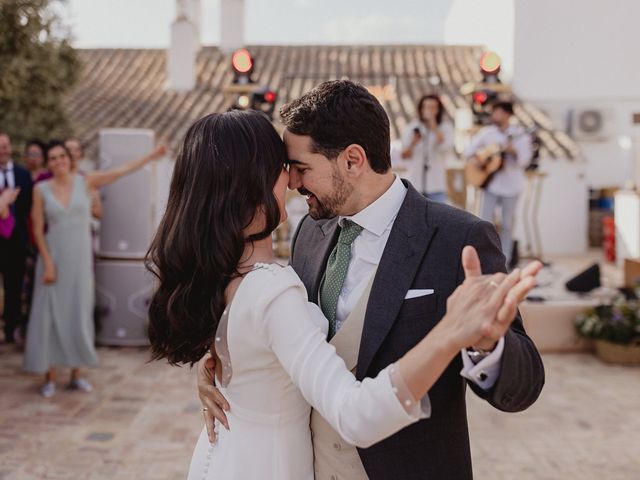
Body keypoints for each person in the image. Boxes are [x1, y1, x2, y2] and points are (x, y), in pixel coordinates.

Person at [146, 110, 540, 480]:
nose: (294, 183)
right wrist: (228, 367)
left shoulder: (459, 238)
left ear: (353, 160)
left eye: (300, 168)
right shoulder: (308, 235)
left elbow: (522, 385)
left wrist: (488, 346)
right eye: (284, 170)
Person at [23, 140, 167, 397]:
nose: (58, 162)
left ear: (69, 159)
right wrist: (47, 262)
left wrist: (152, 155)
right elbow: (36, 229)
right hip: (53, 260)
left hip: (79, 260)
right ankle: (49, 376)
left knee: (77, 313)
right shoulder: (40, 189)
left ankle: (76, 374)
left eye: (62, 157)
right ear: (48, 163)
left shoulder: (85, 181)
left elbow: (122, 170)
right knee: (50, 316)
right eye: (53, 158)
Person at [465, 101, 533, 266]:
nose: (494, 115)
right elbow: (468, 151)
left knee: (507, 224)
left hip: (512, 186)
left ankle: (505, 261)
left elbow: (525, 161)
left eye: (497, 112)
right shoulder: (487, 133)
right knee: (484, 222)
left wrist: (513, 151)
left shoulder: (520, 135)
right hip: (491, 185)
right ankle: (483, 259)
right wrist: (478, 159)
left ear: (507, 114)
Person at [0, 130, 33, 344]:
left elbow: (29, 208)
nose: (2, 150)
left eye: (4, 145)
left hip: (16, 243)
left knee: (14, 287)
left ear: (10, 147)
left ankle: (11, 330)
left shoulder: (23, 174)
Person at [400, 94, 454, 202]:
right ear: (421, 109)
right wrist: (413, 142)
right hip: (416, 183)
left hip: (437, 184)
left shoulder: (445, 127)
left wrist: (433, 126)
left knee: (439, 217)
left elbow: (446, 148)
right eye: (427, 107)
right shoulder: (413, 127)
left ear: (439, 110)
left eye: (433, 107)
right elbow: (404, 155)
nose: (430, 110)